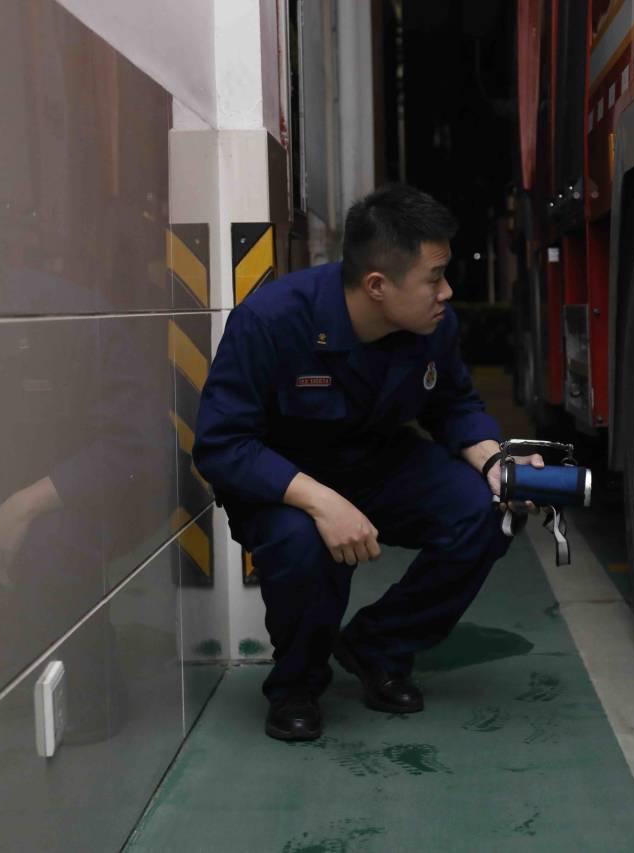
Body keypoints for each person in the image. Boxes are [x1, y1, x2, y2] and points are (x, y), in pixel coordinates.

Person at [193, 184, 542, 741]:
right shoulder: (272, 321)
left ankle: (379, 645)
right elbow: (222, 444)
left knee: (486, 509)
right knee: (303, 545)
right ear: (378, 285)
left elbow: (454, 405)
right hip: (282, 478)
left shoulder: (431, 325)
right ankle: (297, 685)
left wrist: (494, 461)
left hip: (375, 462)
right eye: (434, 278)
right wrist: (322, 503)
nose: (447, 292)